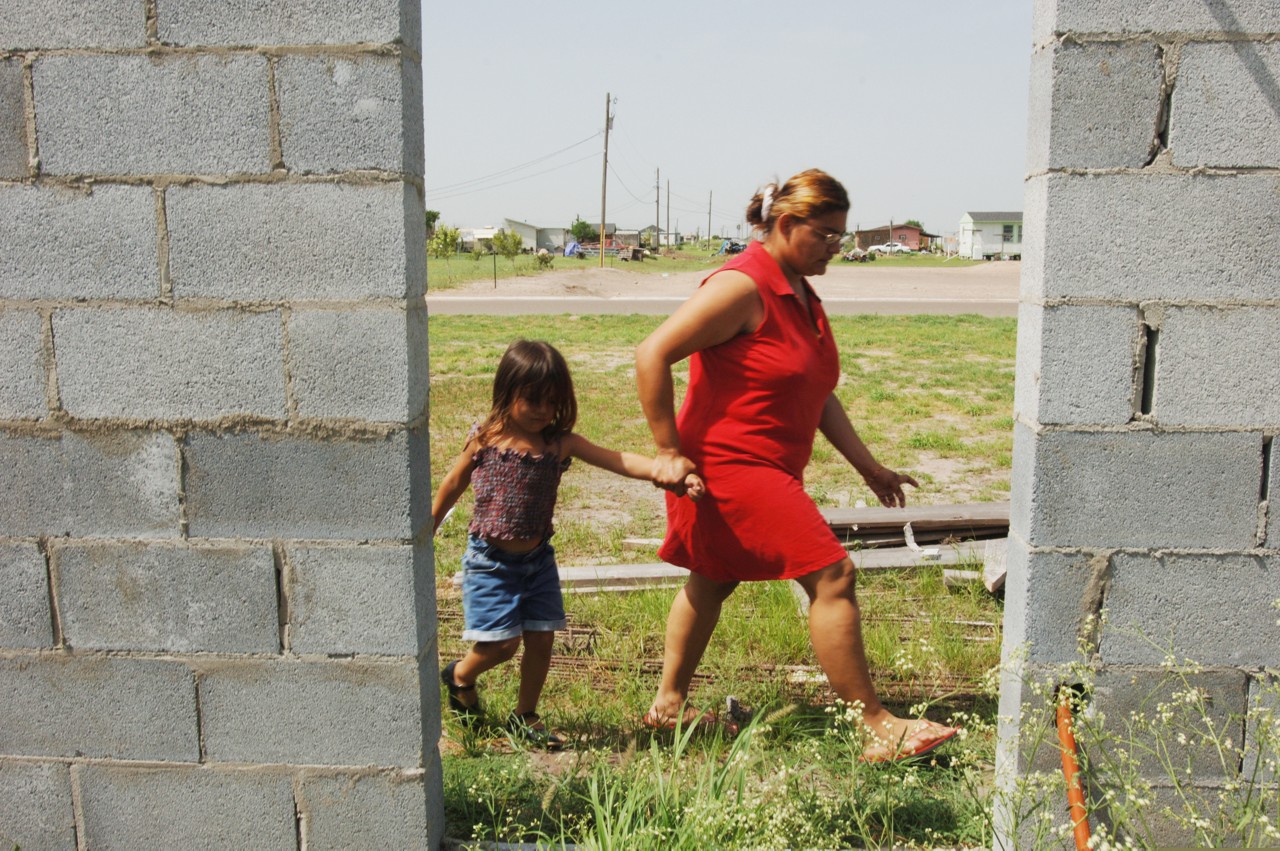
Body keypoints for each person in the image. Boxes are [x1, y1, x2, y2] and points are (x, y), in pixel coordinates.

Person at [634, 169, 958, 762]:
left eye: (841, 236)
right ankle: (875, 727)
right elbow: (652, 353)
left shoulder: (801, 291)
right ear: (786, 225)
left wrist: (870, 468)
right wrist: (666, 451)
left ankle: (667, 707)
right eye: (828, 236)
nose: (837, 247)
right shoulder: (743, 287)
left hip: (768, 466)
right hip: (727, 467)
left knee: (712, 579)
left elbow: (818, 392)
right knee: (832, 575)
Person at [433, 339, 703, 750]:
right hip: (491, 563)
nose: (543, 410)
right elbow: (453, 483)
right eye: (533, 400)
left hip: (538, 562)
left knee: (542, 641)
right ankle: (460, 675)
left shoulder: (559, 444)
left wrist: (669, 471)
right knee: (502, 645)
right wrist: (428, 525)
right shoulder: (486, 439)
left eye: (553, 401)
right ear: (507, 394)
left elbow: (619, 459)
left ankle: (525, 715)